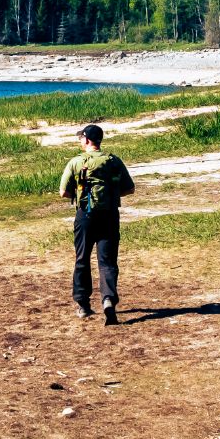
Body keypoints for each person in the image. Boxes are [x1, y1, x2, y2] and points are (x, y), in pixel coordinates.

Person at [58, 123, 135, 324]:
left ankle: (83, 304)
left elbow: (63, 192)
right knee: (107, 261)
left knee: (82, 258)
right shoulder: (113, 161)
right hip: (109, 215)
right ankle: (108, 300)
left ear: (86, 139)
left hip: (85, 216)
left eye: (81, 138)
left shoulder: (76, 162)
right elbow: (129, 189)